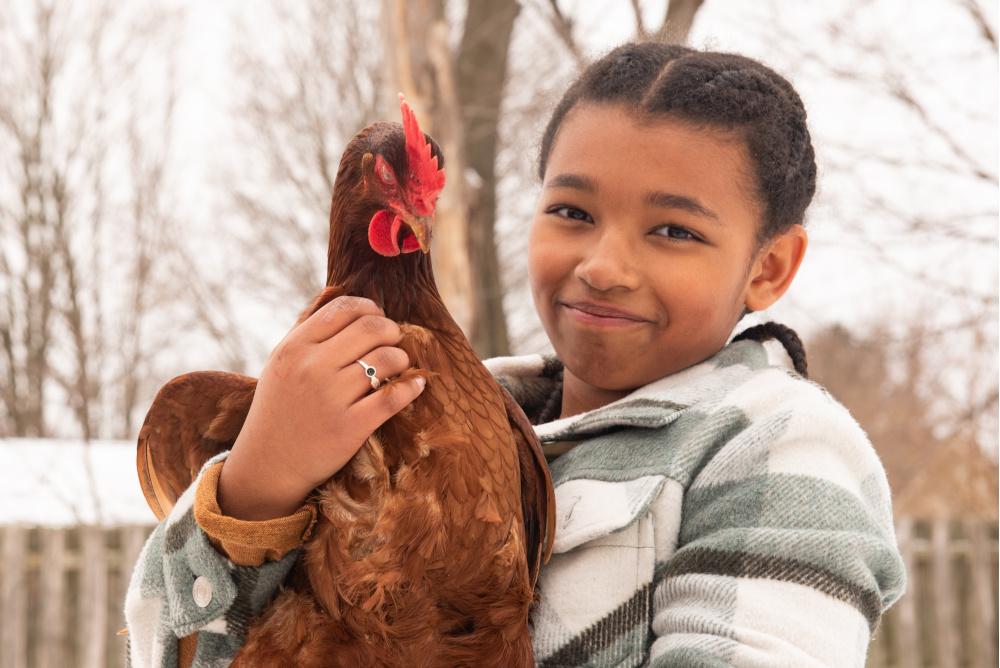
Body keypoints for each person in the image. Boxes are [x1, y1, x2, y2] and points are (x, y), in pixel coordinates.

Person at [125, 42, 905, 667]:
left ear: (768, 267)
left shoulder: (782, 451)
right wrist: (257, 493)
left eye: (673, 230)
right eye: (571, 210)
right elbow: (172, 648)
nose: (603, 264)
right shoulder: (441, 406)